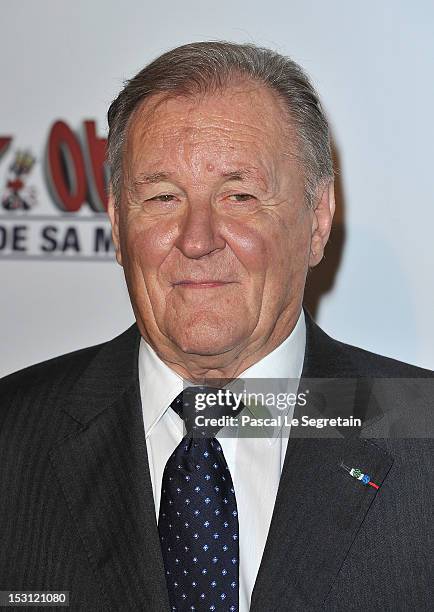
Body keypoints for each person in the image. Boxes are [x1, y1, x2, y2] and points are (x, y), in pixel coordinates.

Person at [0, 41, 432, 612]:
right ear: (115, 221)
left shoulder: (420, 435)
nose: (198, 239)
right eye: (161, 196)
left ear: (318, 220)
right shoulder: (12, 436)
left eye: (240, 195)